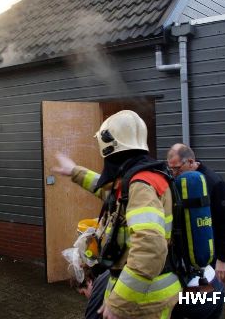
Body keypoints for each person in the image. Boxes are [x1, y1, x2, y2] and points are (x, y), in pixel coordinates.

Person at [53, 110, 181, 319]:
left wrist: (119, 301)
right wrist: (76, 172)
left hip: (143, 302)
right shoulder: (140, 178)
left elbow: (150, 249)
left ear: (109, 147)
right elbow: (111, 194)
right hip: (144, 294)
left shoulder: (141, 185)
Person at [166, 143, 225, 319]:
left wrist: (224, 258)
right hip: (189, 257)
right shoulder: (180, 182)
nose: (173, 173)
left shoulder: (214, 182)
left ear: (190, 161)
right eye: (170, 169)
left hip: (210, 255)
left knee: (209, 297)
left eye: (176, 168)